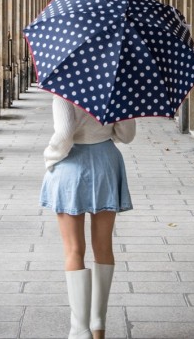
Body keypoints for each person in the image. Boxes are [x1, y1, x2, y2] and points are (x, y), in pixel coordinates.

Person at [40, 95, 136, 339]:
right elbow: (126, 135)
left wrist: (50, 157)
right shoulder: (117, 86)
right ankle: (98, 327)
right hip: (106, 162)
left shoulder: (65, 87)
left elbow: (64, 133)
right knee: (104, 247)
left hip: (71, 165)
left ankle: (79, 330)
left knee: (74, 250)